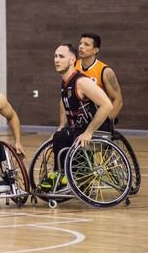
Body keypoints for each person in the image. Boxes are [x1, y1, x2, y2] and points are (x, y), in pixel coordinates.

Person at [39, 43, 113, 190]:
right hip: (78, 129)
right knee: (59, 135)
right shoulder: (65, 82)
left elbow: (107, 105)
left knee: (75, 136)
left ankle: (75, 174)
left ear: (72, 60)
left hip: (98, 129)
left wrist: (89, 132)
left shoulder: (82, 82)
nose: (56, 60)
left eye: (61, 56)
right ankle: (60, 173)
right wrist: (60, 127)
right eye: (55, 56)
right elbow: (66, 107)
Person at [76, 32, 123, 132]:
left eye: (86, 44)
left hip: (95, 116)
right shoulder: (73, 66)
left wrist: (106, 121)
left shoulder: (105, 71)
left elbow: (118, 100)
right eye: (80, 43)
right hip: (77, 117)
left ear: (95, 50)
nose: (81, 47)